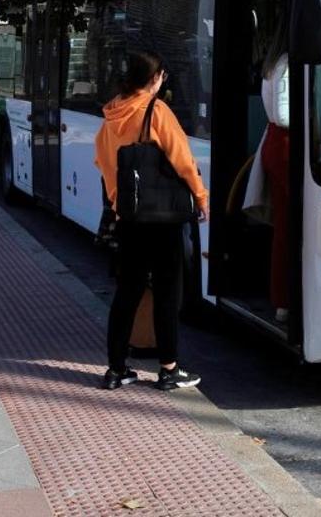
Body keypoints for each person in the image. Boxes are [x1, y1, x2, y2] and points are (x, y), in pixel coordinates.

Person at [94, 50, 209, 391]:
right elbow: (183, 160)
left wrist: (118, 203)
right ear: (155, 79)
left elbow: (103, 164)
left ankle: (116, 370)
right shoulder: (156, 111)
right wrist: (201, 197)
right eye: (162, 77)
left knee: (126, 292)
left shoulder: (110, 116)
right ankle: (169, 370)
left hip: (128, 217)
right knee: (167, 292)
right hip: (162, 218)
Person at [260, 32, 291, 324]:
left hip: (275, 143)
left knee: (284, 227)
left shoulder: (272, 64)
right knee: (294, 227)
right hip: (286, 145)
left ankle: (283, 300)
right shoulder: (288, 63)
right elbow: (284, 114)